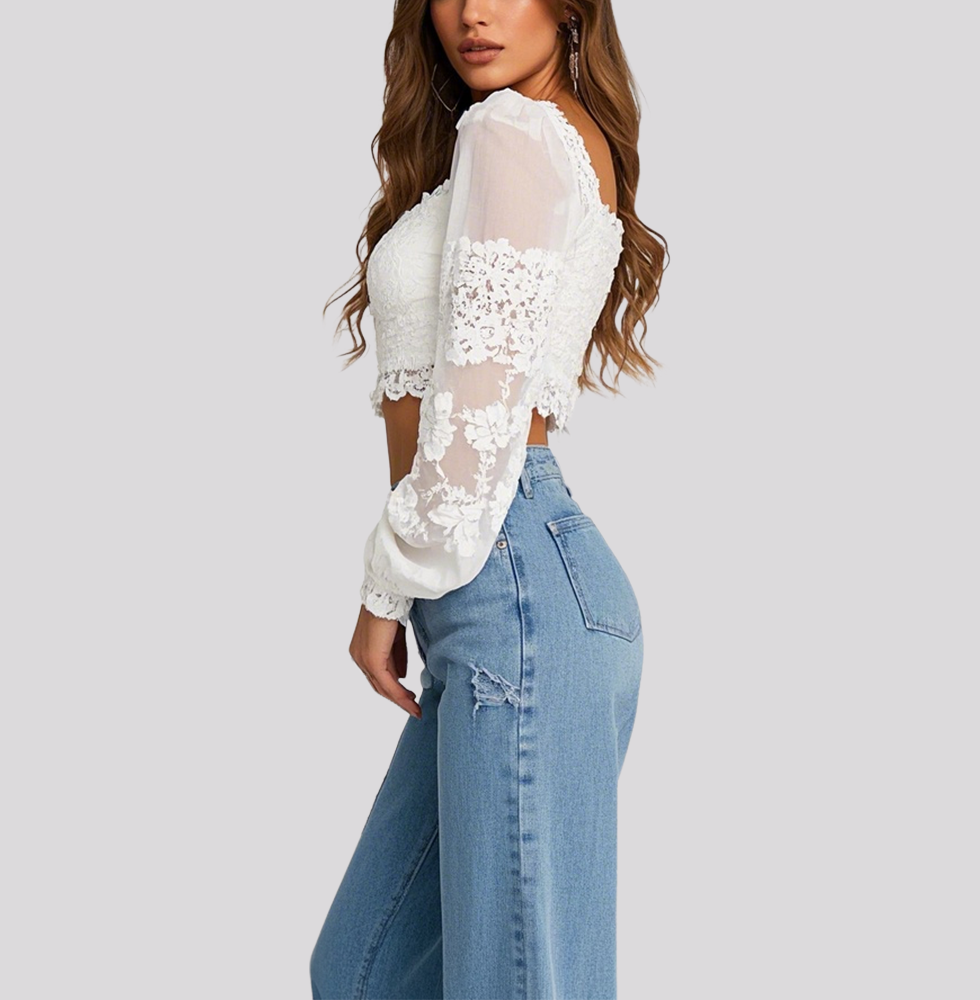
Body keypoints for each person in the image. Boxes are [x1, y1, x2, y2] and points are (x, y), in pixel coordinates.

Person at [311, 2, 668, 997]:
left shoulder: (513, 130)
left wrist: (384, 588)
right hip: (506, 585)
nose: (473, 11)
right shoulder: (544, 136)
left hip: (507, 577)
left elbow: (476, 418)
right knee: (363, 967)